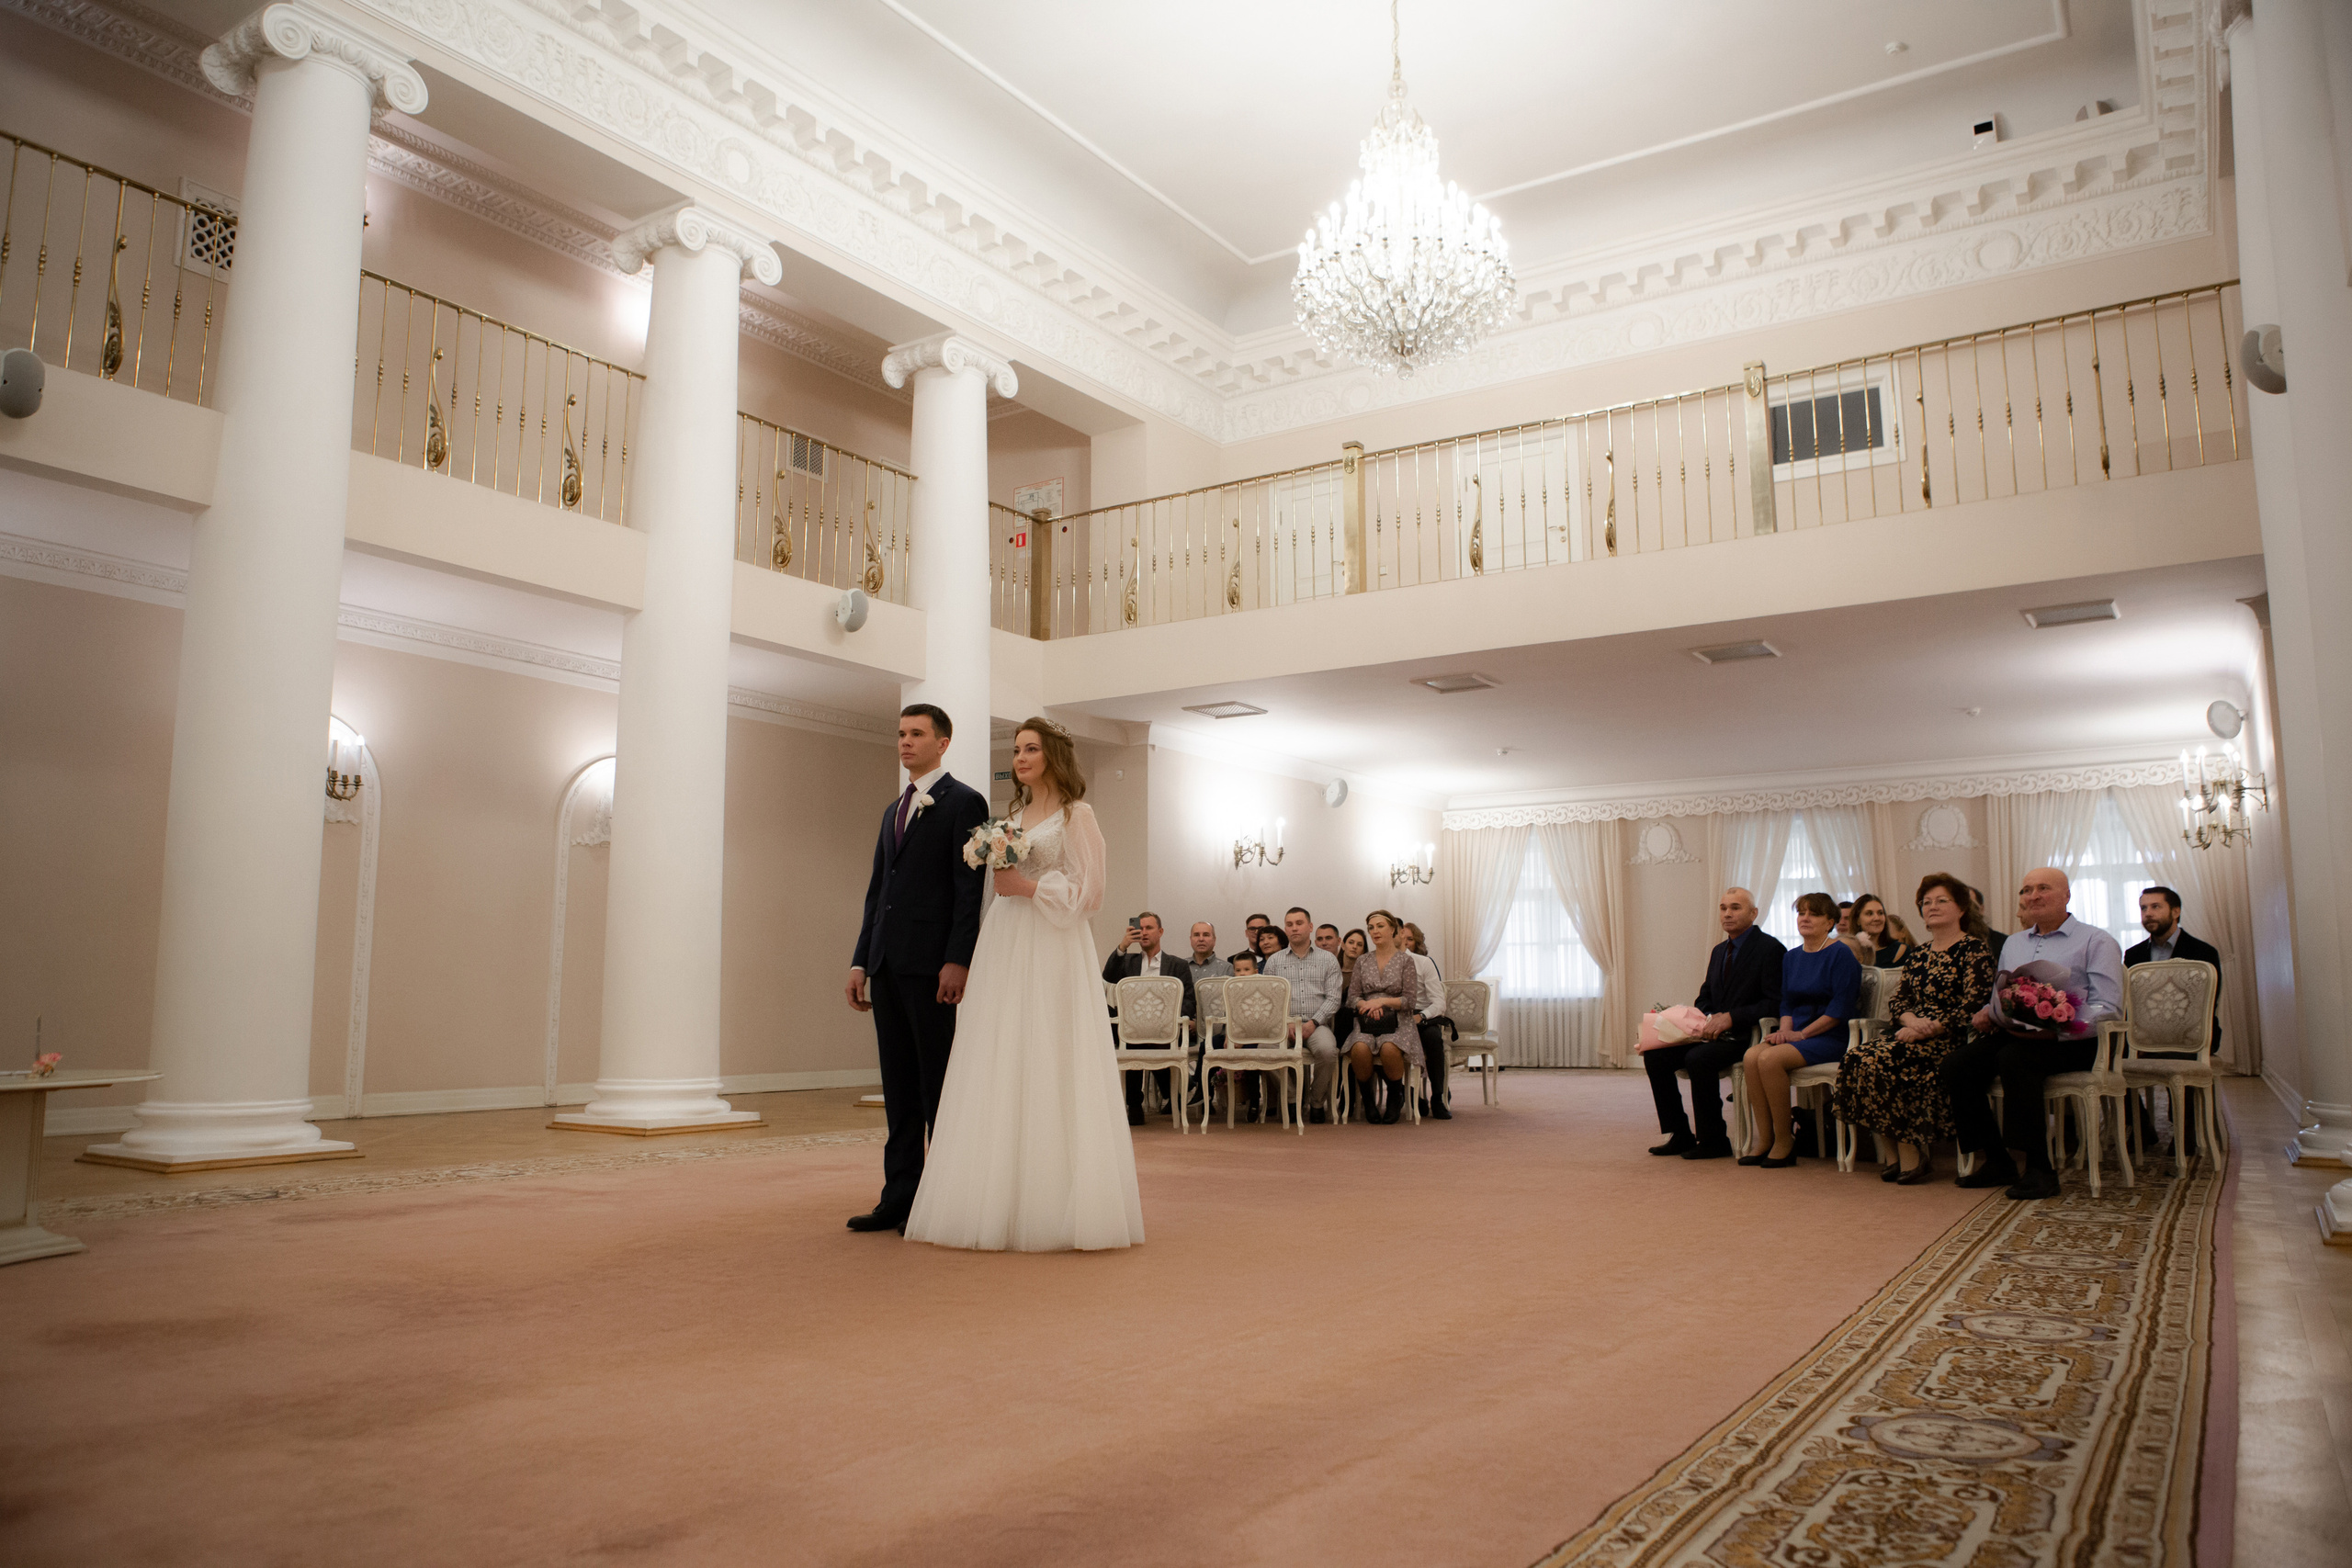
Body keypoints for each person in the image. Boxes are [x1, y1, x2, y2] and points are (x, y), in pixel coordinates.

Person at [904, 717, 1144, 1251]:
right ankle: (994, 1196)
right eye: (1016, 750)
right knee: (1000, 1053)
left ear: (1054, 755)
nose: (1020, 758)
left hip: (1052, 944)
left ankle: (1053, 1201)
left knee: (1048, 1054)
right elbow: (999, 888)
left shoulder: (1077, 815)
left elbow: (1092, 894)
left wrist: (1028, 887)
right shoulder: (1009, 818)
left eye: (1031, 749)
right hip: (1007, 940)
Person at [845, 705, 990, 1235]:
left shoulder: (965, 801)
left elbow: (968, 890)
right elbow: (878, 892)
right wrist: (861, 959)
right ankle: (899, 1197)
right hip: (886, 963)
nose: (905, 742)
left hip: (933, 966)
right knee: (899, 1087)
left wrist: (958, 959)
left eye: (917, 734)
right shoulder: (894, 808)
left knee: (938, 1086)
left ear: (942, 743)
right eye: (901, 734)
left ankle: (946, 1198)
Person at [1940, 867, 2124, 1201]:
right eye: (2026, 890)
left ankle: (2040, 1169)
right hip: (2019, 1034)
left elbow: (2108, 1007)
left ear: (2067, 895)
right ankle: (1997, 1160)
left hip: (2076, 1041)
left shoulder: (2097, 941)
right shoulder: (2014, 943)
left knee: (2015, 1060)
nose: (2033, 896)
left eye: (2043, 888)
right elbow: (2001, 994)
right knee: (1957, 1064)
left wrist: (2059, 1026)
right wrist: (1989, 1011)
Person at [1832, 874, 1994, 1184]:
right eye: (1926, 902)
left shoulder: (1974, 950)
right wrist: (1910, 1021)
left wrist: (1929, 1029)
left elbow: (1974, 1004)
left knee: (1887, 1060)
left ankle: (1911, 1155)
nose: (1932, 907)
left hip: (1952, 1038)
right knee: (1858, 1058)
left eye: (1941, 901)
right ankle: (1892, 1155)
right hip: (1912, 1031)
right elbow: (1899, 1000)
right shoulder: (1920, 953)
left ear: (1961, 908)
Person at [1645, 887, 1786, 1158]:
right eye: (1723, 908)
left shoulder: (1770, 949)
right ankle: (1680, 1134)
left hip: (1746, 1036)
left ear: (1754, 913)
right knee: (1656, 1056)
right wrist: (1706, 1018)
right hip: (1711, 1034)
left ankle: (1713, 1140)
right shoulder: (1720, 950)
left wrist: (1732, 1018)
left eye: (1735, 907)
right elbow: (1705, 996)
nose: (1727, 914)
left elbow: (1775, 1002)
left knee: (1698, 1058)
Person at [1740, 892, 1861, 1167]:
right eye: (1801, 912)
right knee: (1750, 1057)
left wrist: (1800, 1035)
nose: (1805, 918)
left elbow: (1839, 1009)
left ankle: (1785, 1140)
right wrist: (1785, 1031)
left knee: (1770, 1059)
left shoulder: (1840, 953)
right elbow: (1787, 1002)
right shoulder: (1792, 956)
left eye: (1814, 914)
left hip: (1832, 1035)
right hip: (1798, 1034)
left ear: (1829, 922)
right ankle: (1766, 1138)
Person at [2123, 886, 2222, 1154]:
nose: (2148, 913)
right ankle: (2141, 1126)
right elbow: (2130, 1003)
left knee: (2182, 1053)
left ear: (2175, 911)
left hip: (2192, 1033)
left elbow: (2208, 1004)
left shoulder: (2203, 952)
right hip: (2144, 1036)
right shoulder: (2133, 955)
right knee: (2108, 1055)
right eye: (2143, 908)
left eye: (2156, 907)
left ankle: (2185, 1130)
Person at [1103, 911, 1194, 1125]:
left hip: (1165, 1028)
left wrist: (1171, 1018)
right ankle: (1152, 1098)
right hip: (1132, 1027)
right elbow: (1108, 976)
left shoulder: (1177, 965)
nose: (1143, 932)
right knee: (1128, 1031)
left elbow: (1189, 1000)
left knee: (1138, 1040)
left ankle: (1136, 1105)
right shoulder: (1128, 961)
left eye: (1149, 928)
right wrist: (1123, 946)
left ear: (1160, 932)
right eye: (1140, 928)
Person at [1263, 908, 1344, 1122]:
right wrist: (1285, 1023)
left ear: (1310, 927)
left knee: (1328, 1051)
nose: (1294, 928)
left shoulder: (1328, 959)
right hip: (1283, 1026)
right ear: (1285, 929)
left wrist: (1314, 1022)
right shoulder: (1274, 961)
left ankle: (1316, 1101)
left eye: (1299, 923)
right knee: (1265, 1050)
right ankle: (1292, 1099)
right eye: (1289, 924)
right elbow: (1269, 1000)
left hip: (1317, 1024)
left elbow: (1334, 998)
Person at [1343, 910, 1422, 1123]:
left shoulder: (1405, 961)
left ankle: (1395, 1097)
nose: (1375, 931)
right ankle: (1368, 1101)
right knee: (1360, 1048)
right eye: (1371, 927)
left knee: (1389, 1048)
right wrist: (1366, 1005)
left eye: (1380, 926)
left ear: (1392, 929)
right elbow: (1352, 997)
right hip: (1367, 1018)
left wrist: (1382, 1002)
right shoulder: (1362, 960)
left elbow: (1410, 1001)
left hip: (1398, 1020)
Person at [1400, 922, 1452, 1119]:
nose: (1405, 941)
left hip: (1422, 1016)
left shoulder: (1424, 963)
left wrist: (1421, 1016)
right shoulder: (1381, 962)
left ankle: (1438, 1096)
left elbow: (1439, 1002)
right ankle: (1409, 1095)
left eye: (1409, 938)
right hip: (1396, 1016)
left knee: (1432, 1037)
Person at [1849, 894, 1912, 968]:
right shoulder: (1849, 951)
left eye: (1880, 913)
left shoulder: (1900, 950)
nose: (1877, 918)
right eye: (1869, 914)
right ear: (1857, 920)